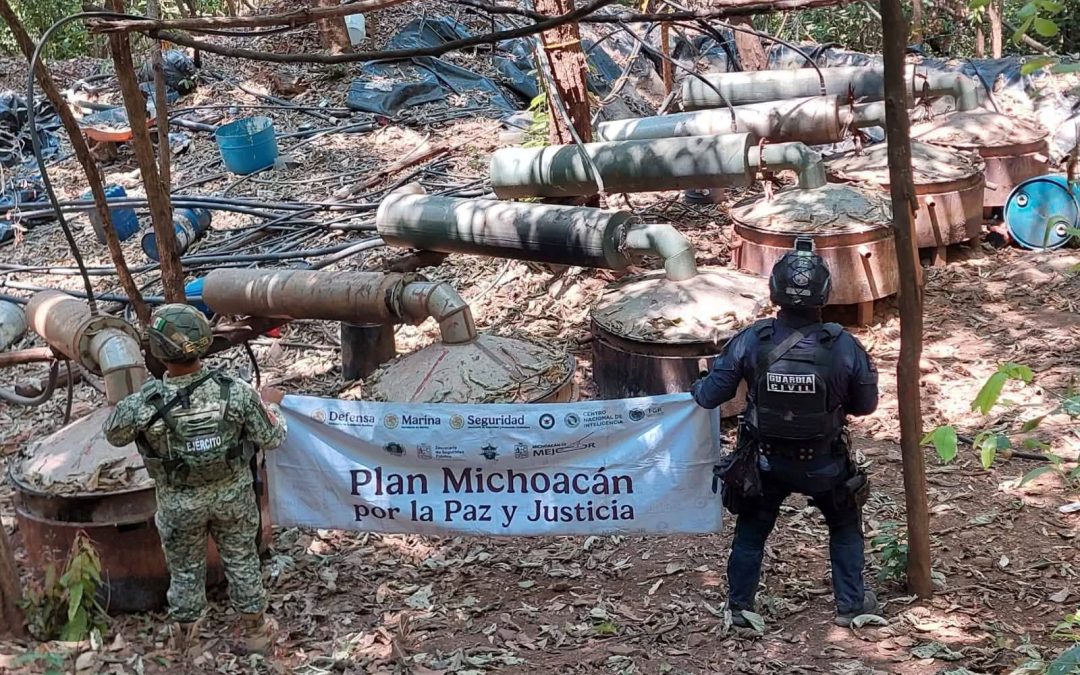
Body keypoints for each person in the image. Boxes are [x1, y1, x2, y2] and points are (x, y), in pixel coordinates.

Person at [692, 237, 879, 628]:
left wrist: (697, 385)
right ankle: (851, 606)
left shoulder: (752, 340)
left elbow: (710, 397)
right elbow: (865, 406)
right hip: (825, 463)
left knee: (751, 533)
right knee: (844, 526)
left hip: (764, 463)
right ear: (825, 294)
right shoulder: (843, 346)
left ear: (774, 290)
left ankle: (741, 610)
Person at [103, 304, 287, 655]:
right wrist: (272, 405)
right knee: (243, 561)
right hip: (233, 498)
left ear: (156, 350)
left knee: (185, 572)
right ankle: (257, 634)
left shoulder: (145, 402)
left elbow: (113, 434)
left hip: (178, 504)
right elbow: (273, 437)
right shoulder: (235, 391)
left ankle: (188, 645)